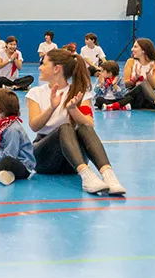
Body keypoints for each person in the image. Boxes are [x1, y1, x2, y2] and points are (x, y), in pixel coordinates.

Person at [25, 49, 126, 195]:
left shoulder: (80, 92)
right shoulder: (36, 93)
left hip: (72, 161)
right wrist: (52, 108)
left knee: (84, 127)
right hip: (44, 158)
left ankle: (108, 176)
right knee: (65, 127)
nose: (40, 67)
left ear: (56, 69)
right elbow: (34, 126)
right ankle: (86, 174)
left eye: (44, 64)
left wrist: (73, 109)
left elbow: (89, 124)